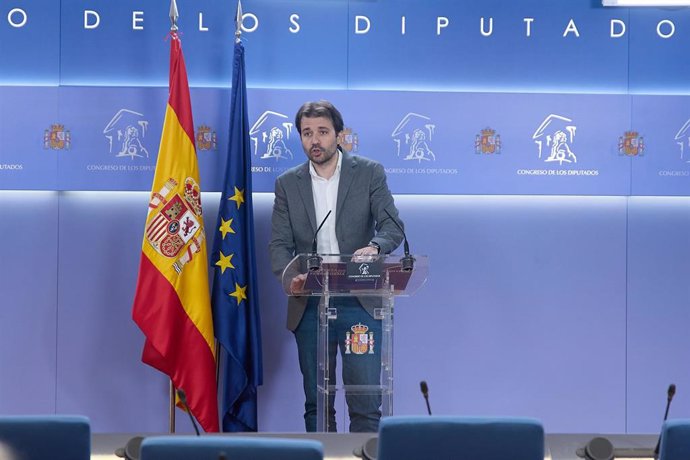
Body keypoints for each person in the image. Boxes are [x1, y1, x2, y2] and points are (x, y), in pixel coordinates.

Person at [269, 100, 404, 432]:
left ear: (340, 135)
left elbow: (393, 229)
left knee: (365, 401)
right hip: (311, 303)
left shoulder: (369, 172)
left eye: (323, 132)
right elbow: (279, 246)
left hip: (361, 301)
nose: (315, 141)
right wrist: (291, 279)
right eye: (307, 133)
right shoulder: (288, 183)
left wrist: (375, 247)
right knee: (317, 405)